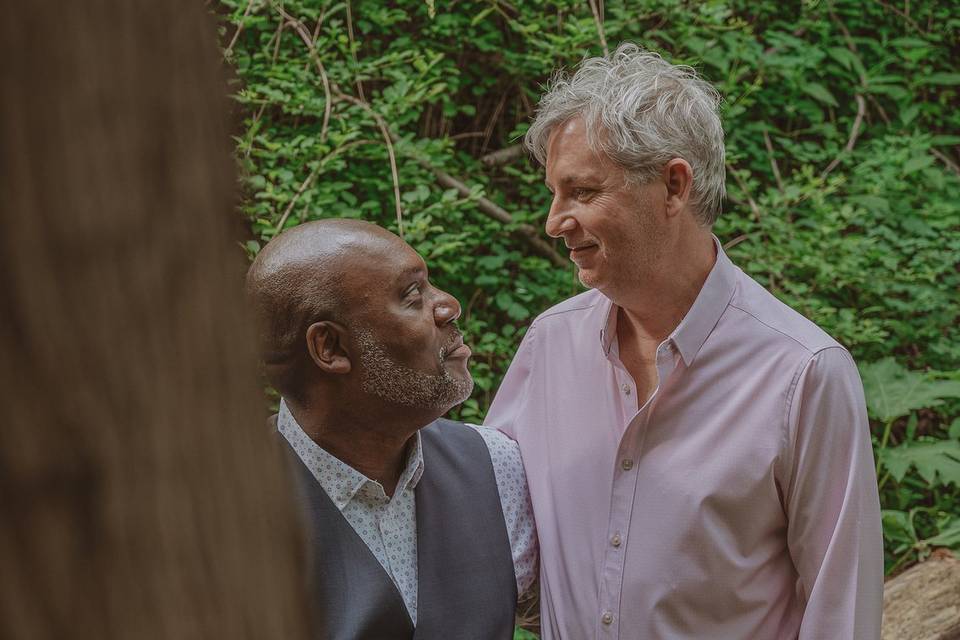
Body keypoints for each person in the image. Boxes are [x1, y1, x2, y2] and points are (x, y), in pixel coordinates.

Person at [484, 43, 883, 639]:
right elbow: (498, 539)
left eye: (583, 192)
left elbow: (841, 613)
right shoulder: (548, 347)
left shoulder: (803, 373)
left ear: (673, 187)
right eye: (553, 192)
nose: (554, 219)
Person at [246, 219, 537, 640]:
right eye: (414, 296)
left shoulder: (498, 468)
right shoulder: (215, 515)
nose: (449, 306)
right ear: (330, 348)